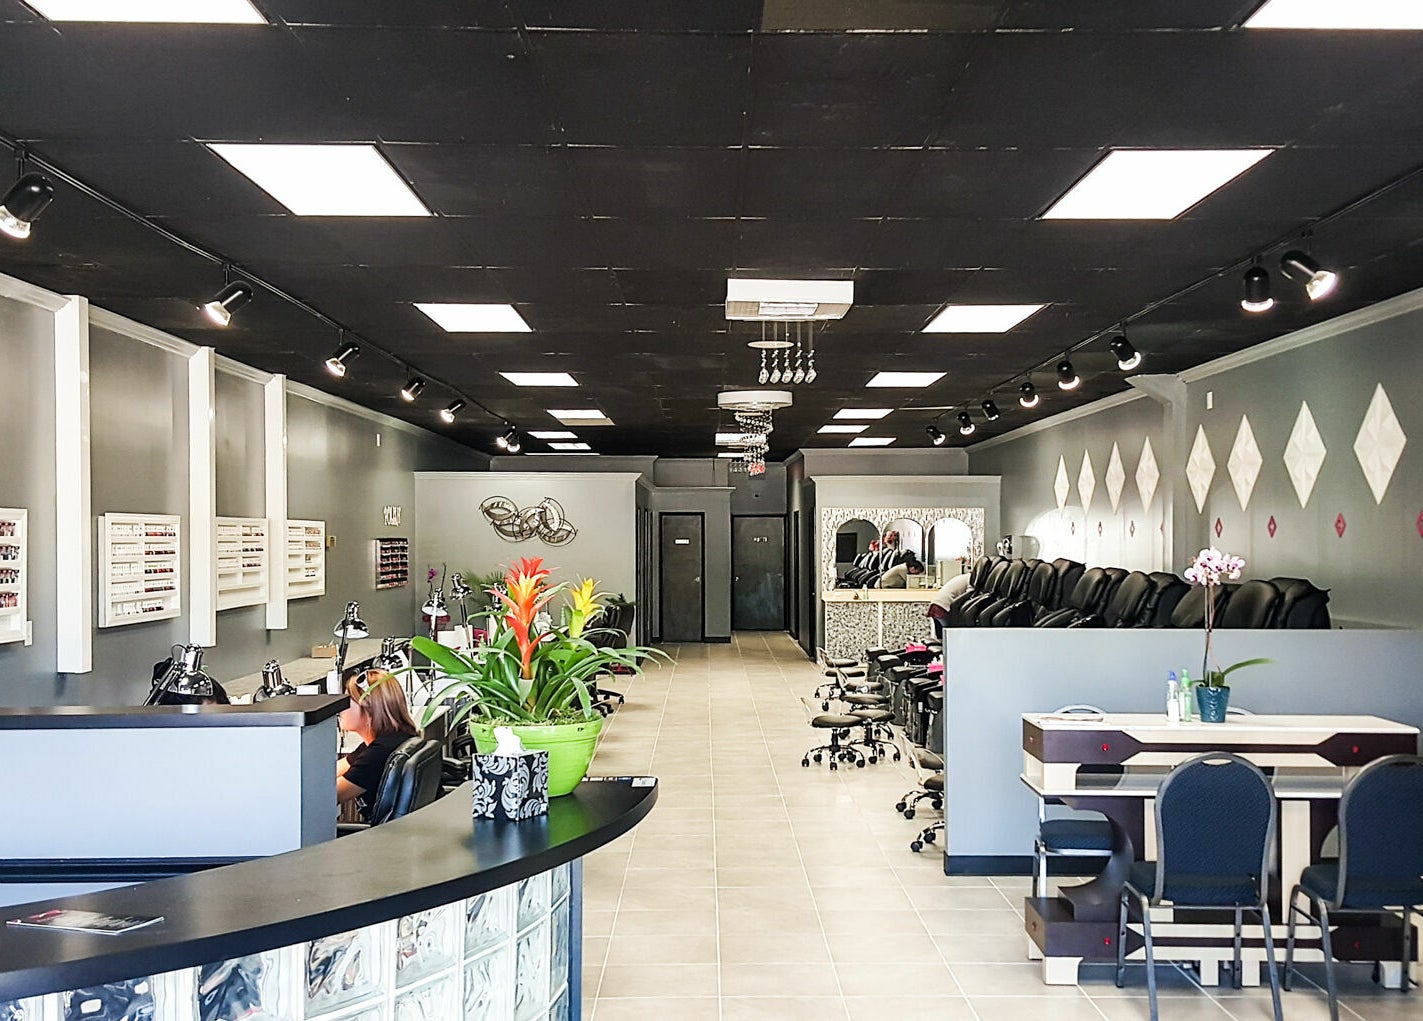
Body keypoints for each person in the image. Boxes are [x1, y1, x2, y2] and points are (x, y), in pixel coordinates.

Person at [336, 669, 420, 822]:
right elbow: (333, 771)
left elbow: (328, 795)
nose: (340, 709)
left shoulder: (378, 754)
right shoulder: (393, 739)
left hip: (384, 839)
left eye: (347, 701)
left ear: (369, 709)